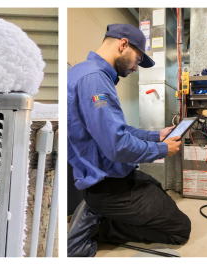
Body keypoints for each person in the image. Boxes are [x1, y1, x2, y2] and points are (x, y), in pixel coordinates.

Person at [66, 23, 191, 256]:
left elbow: (119, 131)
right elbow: (117, 145)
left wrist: (157, 136)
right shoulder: (94, 79)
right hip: (107, 187)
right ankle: (104, 226)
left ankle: (99, 212)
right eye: (137, 59)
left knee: (156, 188)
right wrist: (162, 150)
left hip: (113, 176)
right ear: (123, 45)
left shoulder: (90, 73)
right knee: (181, 229)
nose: (136, 67)